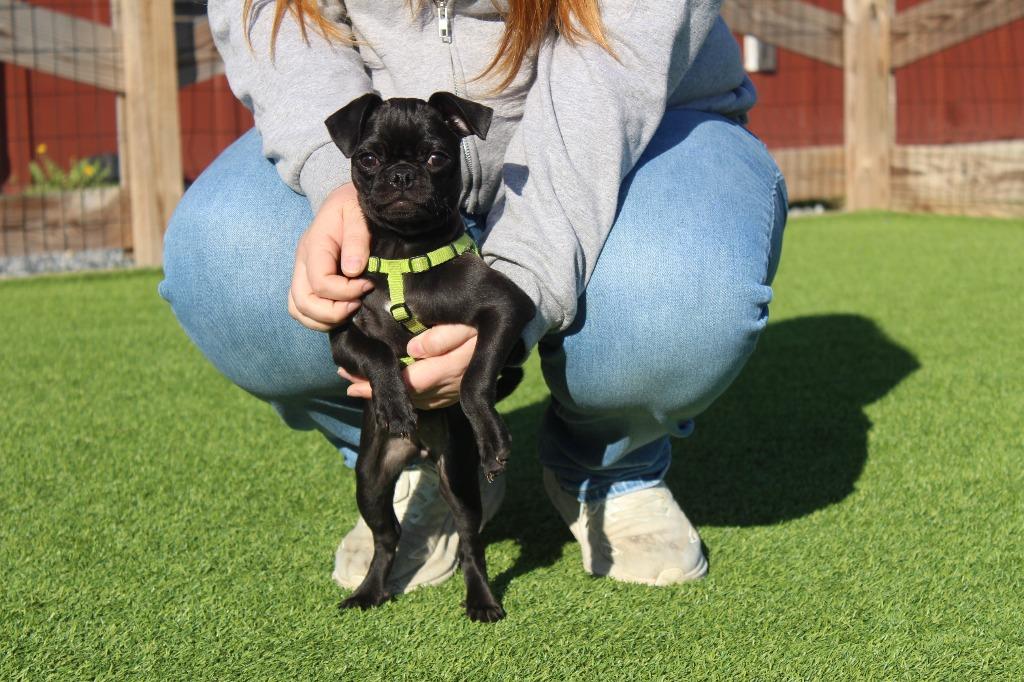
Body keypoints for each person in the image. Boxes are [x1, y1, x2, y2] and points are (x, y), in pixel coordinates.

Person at [160, 0, 787, 590]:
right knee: (225, 256)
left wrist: (524, 281)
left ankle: (612, 461)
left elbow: (616, 55)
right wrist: (339, 178)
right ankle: (412, 450)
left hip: (635, 111)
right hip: (373, 116)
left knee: (676, 285)